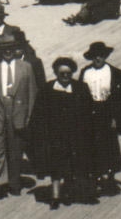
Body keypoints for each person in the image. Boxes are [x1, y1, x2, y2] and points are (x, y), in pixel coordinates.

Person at [28, 57, 95, 208]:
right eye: (62, 73)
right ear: (56, 73)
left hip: (75, 135)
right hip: (54, 136)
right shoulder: (47, 89)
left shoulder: (80, 88)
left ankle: (69, 193)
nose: (65, 76)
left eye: (68, 73)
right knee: (56, 166)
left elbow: (88, 111)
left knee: (72, 165)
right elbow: (38, 113)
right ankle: (55, 196)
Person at [0, 38, 37, 200]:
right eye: (4, 49)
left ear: (15, 49)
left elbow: (32, 94)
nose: (8, 51)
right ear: (0, 51)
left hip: (18, 112)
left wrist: (30, 116)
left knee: (15, 149)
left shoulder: (26, 68)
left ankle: (14, 183)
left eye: (11, 48)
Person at [80, 41, 121, 194]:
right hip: (90, 112)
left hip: (108, 112)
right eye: (95, 56)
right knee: (92, 144)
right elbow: (79, 94)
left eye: (101, 55)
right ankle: (95, 177)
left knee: (109, 145)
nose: (98, 58)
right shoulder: (86, 72)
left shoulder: (115, 73)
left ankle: (110, 177)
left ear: (105, 56)